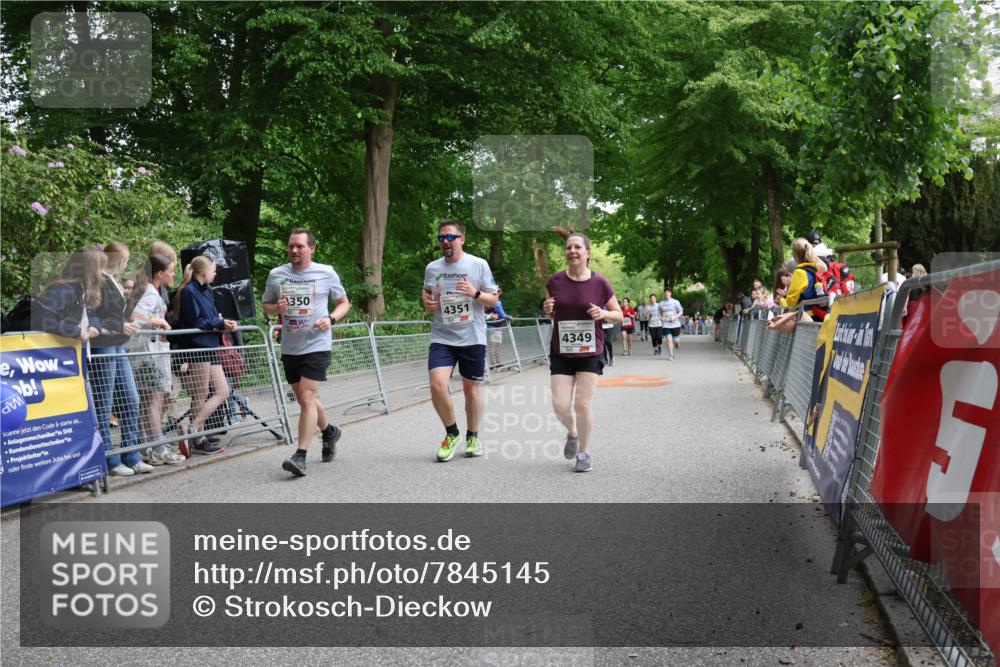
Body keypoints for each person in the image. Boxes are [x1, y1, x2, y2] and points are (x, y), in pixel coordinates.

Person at [263, 229, 350, 477]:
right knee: (303, 398)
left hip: (317, 343)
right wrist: (275, 308)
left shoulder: (326, 273)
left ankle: (300, 456)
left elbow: (344, 302)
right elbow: (267, 307)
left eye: (300, 246)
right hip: (291, 346)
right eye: (291, 246)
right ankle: (329, 431)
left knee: (308, 396)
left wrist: (331, 319)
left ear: (312, 248)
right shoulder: (277, 275)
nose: (294, 250)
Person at [543, 231, 622, 472]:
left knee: (583, 405)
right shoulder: (555, 281)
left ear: (587, 253)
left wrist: (604, 313)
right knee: (560, 405)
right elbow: (550, 311)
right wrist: (547, 309)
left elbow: (619, 314)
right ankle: (573, 432)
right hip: (562, 350)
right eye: (568, 248)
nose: (572, 251)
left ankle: (584, 453)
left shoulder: (600, 283)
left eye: (577, 247)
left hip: (590, 351)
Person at [422, 220, 499, 462]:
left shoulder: (478, 264)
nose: (445, 242)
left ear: (462, 239)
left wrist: (474, 293)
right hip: (442, 336)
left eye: (450, 237)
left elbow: (494, 300)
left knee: (471, 390)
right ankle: (452, 433)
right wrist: (428, 303)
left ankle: (473, 436)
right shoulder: (433, 268)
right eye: (441, 238)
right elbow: (426, 294)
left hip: (472, 336)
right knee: (437, 384)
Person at [88, 242, 153, 477]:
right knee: (104, 404)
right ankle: (110, 458)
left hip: (116, 344)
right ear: (122, 260)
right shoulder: (98, 281)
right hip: (104, 345)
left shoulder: (112, 280)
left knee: (131, 399)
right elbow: (93, 315)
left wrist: (126, 323)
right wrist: (121, 325)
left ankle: (132, 453)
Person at [172, 256, 238, 455]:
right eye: (213, 271)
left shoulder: (208, 291)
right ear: (204, 272)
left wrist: (222, 321)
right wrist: (219, 323)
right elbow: (196, 323)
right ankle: (197, 434)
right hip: (198, 346)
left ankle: (195, 428)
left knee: (222, 390)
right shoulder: (188, 292)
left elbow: (211, 317)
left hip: (211, 344)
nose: (215, 274)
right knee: (200, 394)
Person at [127, 254, 185, 466]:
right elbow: (136, 317)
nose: (173, 274)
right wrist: (159, 321)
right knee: (153, 400)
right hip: (149, 353)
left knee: (146, 401)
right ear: (159, 273)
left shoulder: (147, 290)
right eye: (170, 271)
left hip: (143, 352)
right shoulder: (151, 293)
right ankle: (158, 447)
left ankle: (146, 445)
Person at [780, 237, 827, 320]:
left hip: (808, 316)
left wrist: (781, 301)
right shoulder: (820, 266)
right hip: (823, 314)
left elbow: (791, 302)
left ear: (795, 256)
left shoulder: (800, 273)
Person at [485, 292, 511, 368]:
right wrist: (509, 317)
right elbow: (502, 314)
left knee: (496, 344)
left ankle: (496, 362)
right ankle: (494, 363)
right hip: (494, 325)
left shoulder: (490, 301)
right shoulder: (495, 302)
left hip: (497, 325)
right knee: (494, 345)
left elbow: (502, 313)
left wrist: (507, 316)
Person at [659, 287, 683, 361]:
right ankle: (671, 355)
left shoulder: (675, 302)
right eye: (665, 293)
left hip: (675, 324)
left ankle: (676, 343)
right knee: (669, 340)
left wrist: (675, 317)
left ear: (670, 293)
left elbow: (681, 311)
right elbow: (659, 313)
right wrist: (661, 318)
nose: (666, 294)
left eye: (668, 293)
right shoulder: (661, 303)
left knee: (676, 340)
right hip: (666, 324)